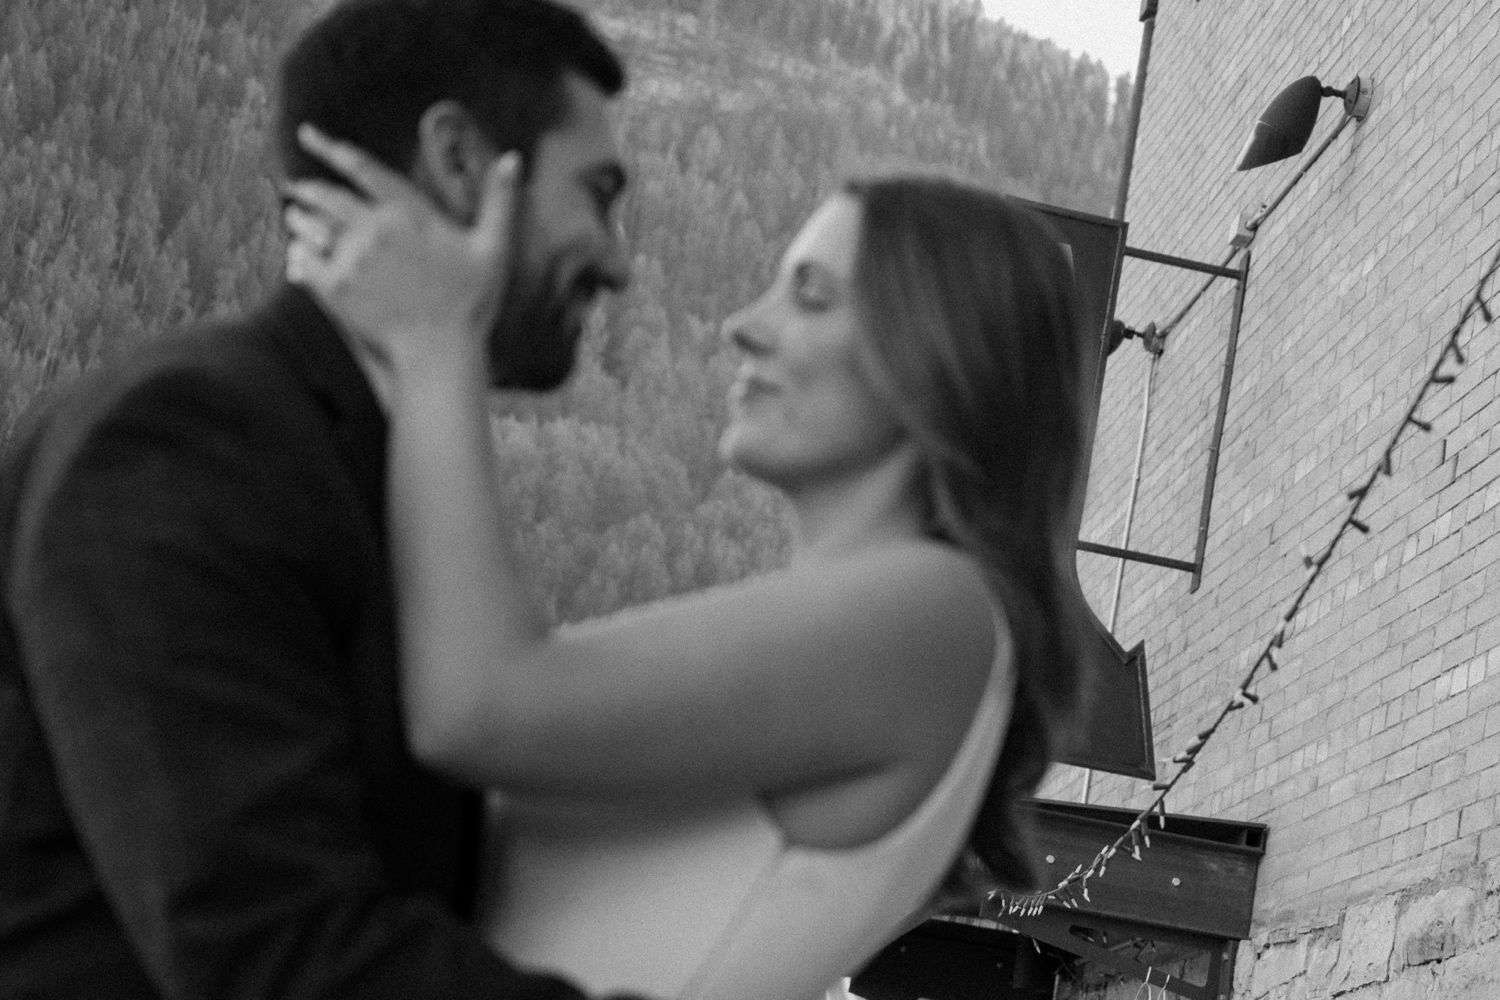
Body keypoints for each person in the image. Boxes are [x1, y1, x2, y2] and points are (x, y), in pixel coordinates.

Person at [281, 116, 1096, 996]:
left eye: (812, 296)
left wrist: (438, 339)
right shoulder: (919, 621)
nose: (745, 326)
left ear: (944, 356)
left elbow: (477, 707)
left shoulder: (936, 612)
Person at [0, 1, 636, 997]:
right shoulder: (184, 441)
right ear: (459, 160)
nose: (618, 259)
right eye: (596, 193)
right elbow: (279, 957)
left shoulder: (364, 456)